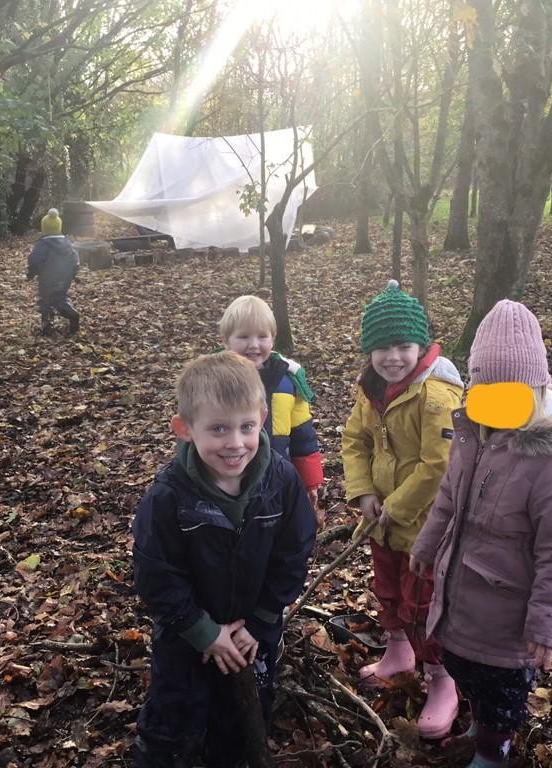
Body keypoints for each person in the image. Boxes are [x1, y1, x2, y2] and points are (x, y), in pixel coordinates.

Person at [409, 300, 552, 767]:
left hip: (509, 621)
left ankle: (493, 752)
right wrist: (425, 544)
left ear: (535, 389)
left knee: (501, 697)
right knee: (468, 673)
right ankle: (480, 726)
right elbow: (447, 499)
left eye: (511, 392)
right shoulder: (471, 437)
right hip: (463, 600)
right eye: (486, 388)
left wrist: (547, 624)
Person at [131, 351, 317, 768]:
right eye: (217, 429)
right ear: (184, 429)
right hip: (186, 638)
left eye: (246, 427)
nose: (235, 443)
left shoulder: (281, 481)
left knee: (245, 721)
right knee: (173, 719)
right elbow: (155, 572)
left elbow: (295, 549)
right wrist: (202, 630)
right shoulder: (168, 496)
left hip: (255, 633)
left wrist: (263, 618)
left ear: (263, 419)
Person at [341, 279, 464, 739]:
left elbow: (439, 463)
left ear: (421, 345)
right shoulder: (371, 388)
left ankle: (443, 680)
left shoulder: (437, 393)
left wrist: (395, 505)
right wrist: (365, 492)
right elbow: (355, 440)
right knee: (388, 587)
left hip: (426, 526)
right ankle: (397, 652)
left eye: (402, 346)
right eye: (381, 348)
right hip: (382, 521)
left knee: (424, 604)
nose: (392, 357)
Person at [219, 295, 324, 519]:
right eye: (244, 336)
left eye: (262, 336)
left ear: (273, 339)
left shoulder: (288, 383)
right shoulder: (213, 381)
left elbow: (302, 436)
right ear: (226, 340)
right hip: (226, 483)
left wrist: (310, 481)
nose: (254, 345)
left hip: (278, 480)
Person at [26, 207, 79, 336]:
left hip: (47, 278)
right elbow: (74, 258)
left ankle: (48, 325)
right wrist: (74, 273)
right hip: (65, 277)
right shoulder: (66, 243)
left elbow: (34, 260)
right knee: (60, 296)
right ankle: (70, 311)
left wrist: (31, 273)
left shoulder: (43, 244)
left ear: (44, 228)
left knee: (46, 299)